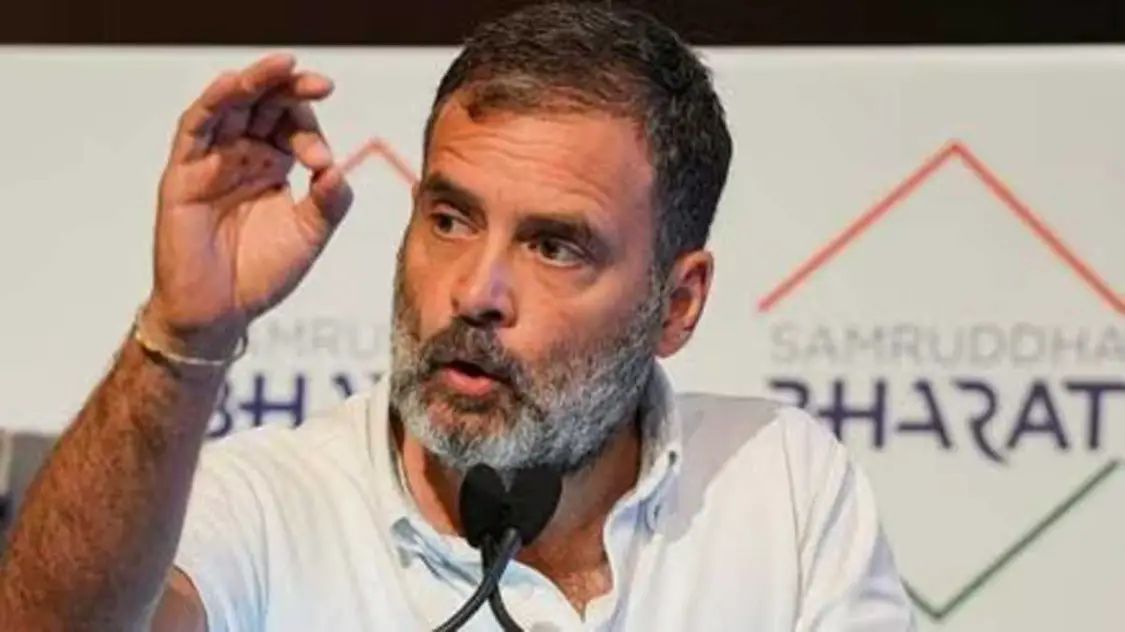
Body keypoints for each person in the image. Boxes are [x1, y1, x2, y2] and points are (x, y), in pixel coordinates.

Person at [0, 3, 915, 630]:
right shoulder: (264, 503)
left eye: (554, 246)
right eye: (450, 219)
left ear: (675, 304)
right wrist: (183, 334)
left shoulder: (778, 483)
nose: (476, 292)